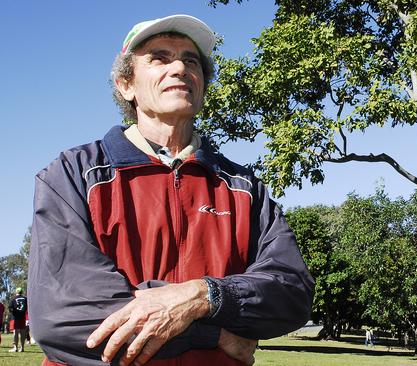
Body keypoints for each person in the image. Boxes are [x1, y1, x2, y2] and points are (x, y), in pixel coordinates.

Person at [28, 14, 314, 366]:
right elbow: (63, 312)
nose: (179, 67)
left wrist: (204, 295)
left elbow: (291, 291)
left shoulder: (244, 188)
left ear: (202, 85)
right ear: (126, 85)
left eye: (190, 60)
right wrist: (211, 332)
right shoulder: (73, 174)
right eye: (159, 58)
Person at [9, 288, 27, 352]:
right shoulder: (25, 299)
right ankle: (22, 348)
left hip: (15, 318)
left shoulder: (13, 299)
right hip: (23, 317)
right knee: (22, 332)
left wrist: (14, 313)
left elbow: (10, 308)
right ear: (22, 292)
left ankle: (15, 348)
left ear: (16, 292)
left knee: (15, 332)